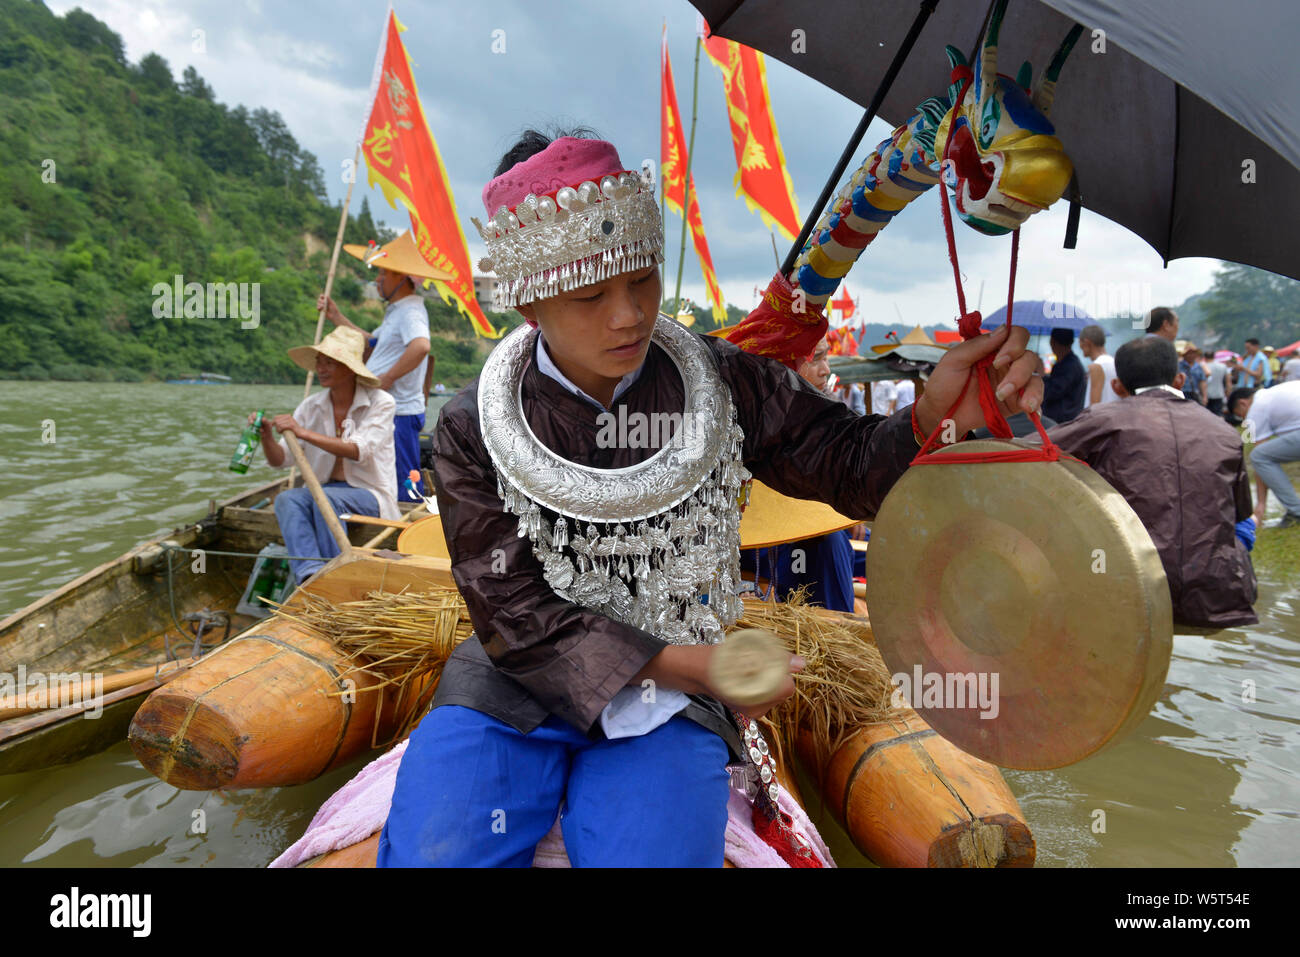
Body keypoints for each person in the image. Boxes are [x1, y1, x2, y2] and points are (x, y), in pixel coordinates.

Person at [377, 130, 1045, 868]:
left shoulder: (724, 381)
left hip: (674, 707)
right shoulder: (473, 426)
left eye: (641, 280)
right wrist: (694, 664)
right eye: (592, 295)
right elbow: (515, 617)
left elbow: (847, 463)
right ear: (529, 301)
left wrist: (933, 419)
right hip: (512, 685)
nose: (629, 314)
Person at [1043, 336, 1257, 629]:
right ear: (1180, 380)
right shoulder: (1224, 431)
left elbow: (1029, 453)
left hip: (1130, 587)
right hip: (1219, 596)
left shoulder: (1102, 420)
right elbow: (1242, 514)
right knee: (1247, 527)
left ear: (1117, 387)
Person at [257, 327, 399, 584]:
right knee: (286, 500)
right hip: (325, 491)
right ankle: (310, 573)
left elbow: (358, 451)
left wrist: (302, 432)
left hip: (371, 494)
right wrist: (266, 437)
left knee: (324, 498)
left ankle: (338, 575)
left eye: (330, 363)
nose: (321, 369)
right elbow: (281, 460)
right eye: (319, 363)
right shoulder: (311, 406)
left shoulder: (382, 402)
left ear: (350, 368)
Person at [318, 230, 448, 500]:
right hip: (387, 408)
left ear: (401, 278)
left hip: (398, 410)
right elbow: (372, 342)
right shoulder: (397, 313)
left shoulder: (411, 311)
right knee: (387, 472)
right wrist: (336, 317)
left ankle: (405, 526)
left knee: (404, 479)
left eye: (382, 274)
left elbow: (421, 346)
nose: (378, 280)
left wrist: (387, 379)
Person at [1232, 381, 1300, 529]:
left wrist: (1260, 504)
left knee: (1260, 456)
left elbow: (1260, 458)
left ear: (1243, 403)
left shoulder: (1256, 408)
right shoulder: (1269, 394)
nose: (1245, 420)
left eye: (1241, 415)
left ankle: (1296, 512)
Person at [1041, 327, 1086, 423]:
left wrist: (1041, 374)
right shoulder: (1067, 363)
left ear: (1052, 342)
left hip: (1061, 422)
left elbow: (1051, 392)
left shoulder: (1069, 366)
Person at [1078, 324, 1117, 408]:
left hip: (1101, 418)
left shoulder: (1096, 366)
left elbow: (1094, 406)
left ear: (1087, 342)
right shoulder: (1115, 363)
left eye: (1080, 342)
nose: (1080, 346)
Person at [1205, 351, 1230, 416]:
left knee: (1207, 415)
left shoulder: (1203, 366)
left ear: (1205, 357)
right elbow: (1228, 382)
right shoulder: (1223, 366)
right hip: (1219, 393)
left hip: (1206, 394)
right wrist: (1228, 392)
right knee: (1218, 415)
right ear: (1214, 356)